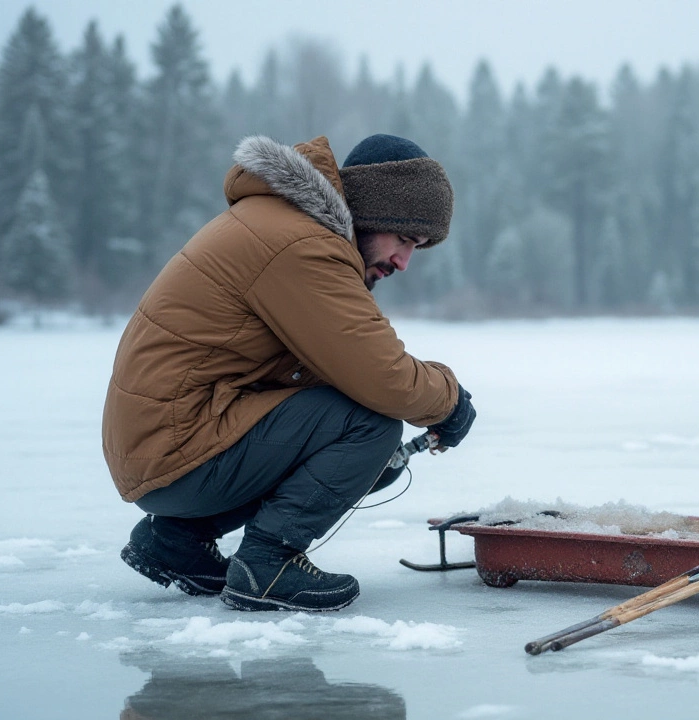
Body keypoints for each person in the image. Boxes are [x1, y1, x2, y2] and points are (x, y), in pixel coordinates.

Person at [102, 133, 475, 612]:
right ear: (370, 210)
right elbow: (382, 376)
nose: (403, 261)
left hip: (164, 443)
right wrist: (449, 402)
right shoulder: (302, 244)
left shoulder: (283, 225)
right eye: (403, 239)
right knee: (371, 425)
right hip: (177, 447)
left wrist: (352, 468)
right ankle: (268, 564)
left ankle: (178, 540)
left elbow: (323, 369)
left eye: (416, 248)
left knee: (358, 429)